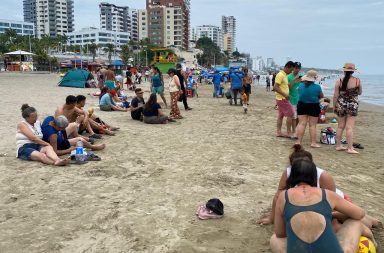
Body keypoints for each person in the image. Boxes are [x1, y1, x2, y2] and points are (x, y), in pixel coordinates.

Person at [270, 159, 371, 253]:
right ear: (314, 177)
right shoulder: (326, 194)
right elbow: (360, 214)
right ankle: (373, 241)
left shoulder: (283, 196)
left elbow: (280, 233)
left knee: (275, 239)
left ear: (292, 177)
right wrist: (334, 214)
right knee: (355, 222)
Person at [333, 63, 362, 154]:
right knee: (349, 127)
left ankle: (338, 146)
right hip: (352, 105)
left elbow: (335, 95)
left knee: (340, 126)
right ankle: (350, 148)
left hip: (341, 104)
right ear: (353, 71)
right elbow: (360, 92)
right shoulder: (357, 81)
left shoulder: (339, 81)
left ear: (344, 71)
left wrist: (334, 106)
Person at [295, 70, 324, 148]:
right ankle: (313, 143)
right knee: (312, 125)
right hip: (313, 106)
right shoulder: (317, 87)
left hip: (301, 105)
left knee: (301, 124)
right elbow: (321, 96)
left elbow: (298, 91)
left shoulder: (300, 85)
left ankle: (298, 141)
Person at [274, 61, 295, 138]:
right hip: (282, 98)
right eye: (291, 70)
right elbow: (275, 87)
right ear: (287, 67)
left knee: (281, 115)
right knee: (291, 114)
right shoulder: (280, 75)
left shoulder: (284, 75)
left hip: (281, 98)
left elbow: (285, 86)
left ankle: (278, 132)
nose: (291, 72)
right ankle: (289, 132)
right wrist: (285, 95)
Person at [287, 62, 302, 137]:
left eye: (298, 68)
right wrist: (295, 79)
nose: (297, 69)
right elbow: (289, 87)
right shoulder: (289, 76)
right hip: (291, 98)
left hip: (300, 99)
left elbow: (303, 86)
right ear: (293, 68)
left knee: (298, 117)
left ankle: (296, 131)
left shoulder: (301, 76)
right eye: (296, 68)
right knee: (292, 116)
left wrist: (300, 81)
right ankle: (291, 131)